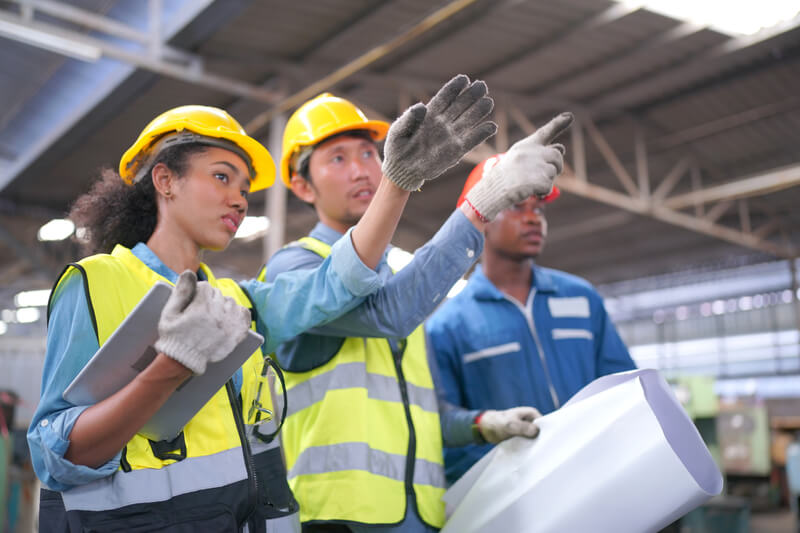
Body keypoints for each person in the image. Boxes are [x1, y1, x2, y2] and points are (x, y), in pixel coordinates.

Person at [27, 77, 494, 533]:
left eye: (245, 187)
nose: (238, 199)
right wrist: (167, 369)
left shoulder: (237, 303)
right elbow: (54, 453)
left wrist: (398, 182)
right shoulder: (96, 283)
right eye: (221, 177)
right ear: (165, 180)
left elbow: (335, 283)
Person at [261, 75, 573, 531]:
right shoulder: (295, 269)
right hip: (339, 518)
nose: (362, 169)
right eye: (338, 158)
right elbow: (388, 312)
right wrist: (479, 204)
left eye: (370, 152)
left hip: (423, 516)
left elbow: (420, 413)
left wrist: (483, 423)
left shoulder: (403, 275)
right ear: (302, 186)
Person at [426, 150, 637, 484]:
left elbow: (623, 388)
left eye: (538, 209)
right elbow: (448, 435)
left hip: (598, 477)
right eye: (516, 207)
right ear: (480, 218)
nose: (533, 218)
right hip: (514, 496)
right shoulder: (448, 327)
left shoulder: (581, 299)